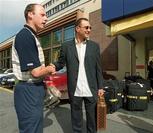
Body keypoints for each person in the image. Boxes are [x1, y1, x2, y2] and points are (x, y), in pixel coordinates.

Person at [53, 18, 104, 133]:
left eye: (90, 27)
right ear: (77, 29)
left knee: (92, 119)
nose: (89, 30)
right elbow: (61, 63)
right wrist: (51, 67)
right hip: (75, 88)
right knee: (76, 119)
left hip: (91, 88)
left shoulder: (94, 46)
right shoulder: (66, 46)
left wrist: (100, 87)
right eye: (86, 27)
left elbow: (98, 68)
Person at [12, 4, 55, 133]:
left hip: (32, 90)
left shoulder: (31, 36)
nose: (46, 18)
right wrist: (50, 68)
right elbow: (35, 72)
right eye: (42, 15)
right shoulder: (25, 36)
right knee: (31, 129)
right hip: (28, 91)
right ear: (30, 14)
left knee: (35, 128)